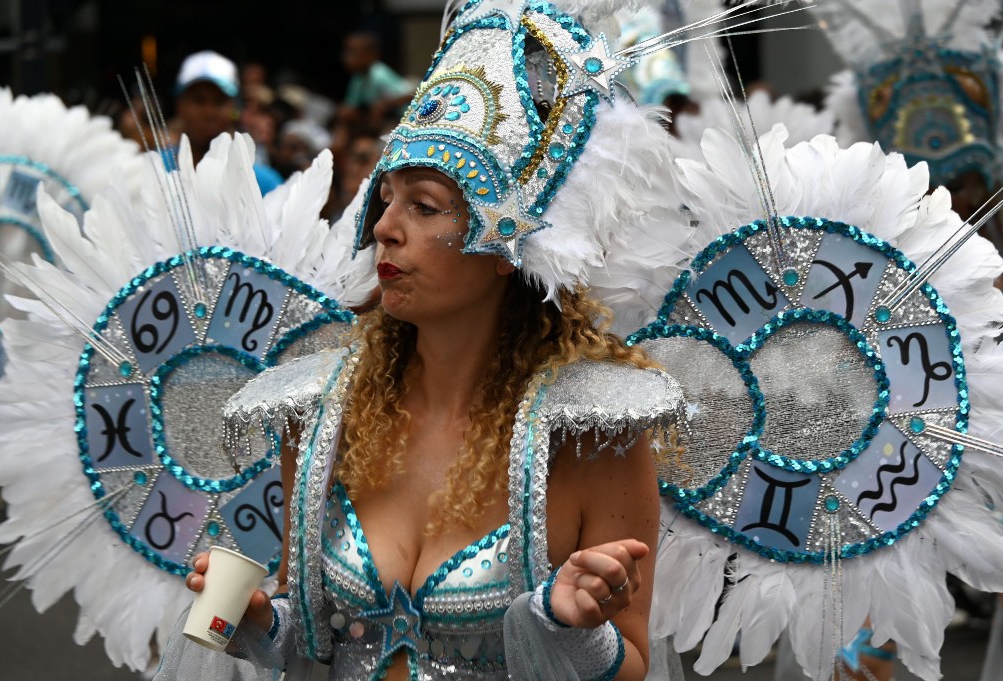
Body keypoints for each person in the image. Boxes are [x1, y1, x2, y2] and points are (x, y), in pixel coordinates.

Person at [160, 2, 691, 680]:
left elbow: (633, 659)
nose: (385, 227)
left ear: (507, 247)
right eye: (386, 200)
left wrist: (571, 628)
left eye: (426, 206)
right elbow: (316, 642)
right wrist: (260, 621)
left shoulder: (593, 436)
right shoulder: (323, 415)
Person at [174, 50, 283, 195]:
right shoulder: (144, 173)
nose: (209, 112)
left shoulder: (264, 184)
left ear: (235, 109)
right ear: (180, 106)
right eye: (198, 100)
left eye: (219, 101)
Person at [336, 31, 413, 129]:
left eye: (353, 53)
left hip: (404, 117)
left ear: (371, 55)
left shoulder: (379, 73)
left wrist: (385, 103)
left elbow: (409, 96)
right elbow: (351, 105)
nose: (346, 58)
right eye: (347, 52)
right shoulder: (358, 78)